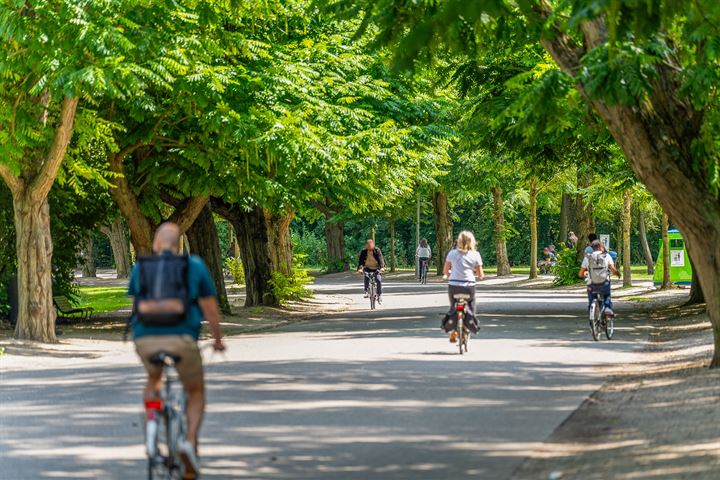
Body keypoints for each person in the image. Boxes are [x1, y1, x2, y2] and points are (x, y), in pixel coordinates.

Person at [129, 222, 226, 479]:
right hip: (182, 339)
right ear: (178, 245)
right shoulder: (193, 265)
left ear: (157, 245)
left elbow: (137, 305)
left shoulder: (141, 267)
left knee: (153, 378)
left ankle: (152, 424)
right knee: (195, 391)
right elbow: (210, 308)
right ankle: (189, 441)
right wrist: (217, 340)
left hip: (145, 339)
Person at [442, 231, 484, 342]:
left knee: (453, 306)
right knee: (471, 305)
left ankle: (453, 330)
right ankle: (469, 323)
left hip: (454, 286)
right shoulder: (476, 254)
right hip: (468, 287)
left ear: (458, 241)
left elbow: (445, 271)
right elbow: (480, 274)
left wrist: (448, 274)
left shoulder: (452, 253)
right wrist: (478, 274)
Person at [579, 239, 621, 316]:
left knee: (591, 301)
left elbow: (580, 273)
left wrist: (584, 275)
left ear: (592, 248)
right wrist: (618, 274)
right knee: (607, 295)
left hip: (591, 284)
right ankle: (607, 308)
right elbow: (613, 270)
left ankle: (592, 316)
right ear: (601, 247)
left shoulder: (588, 257)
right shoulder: (606, 256)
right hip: (604, 283)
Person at [357, 239, 385, 303]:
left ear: (373, 245)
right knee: (366, 276)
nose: (369, 248)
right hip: (367, 267)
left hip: (376, 268)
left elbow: (381, 259)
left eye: (371, 246)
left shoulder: (377, 250)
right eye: (368, 246)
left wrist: (382, 267)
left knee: (378, 280)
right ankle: (366, 291)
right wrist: (360, 268)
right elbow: (360, 261)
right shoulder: (363, 251)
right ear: (366, 246)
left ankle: (379, 294)